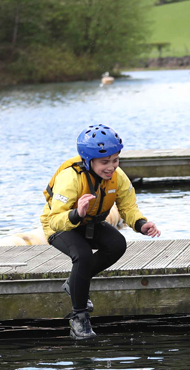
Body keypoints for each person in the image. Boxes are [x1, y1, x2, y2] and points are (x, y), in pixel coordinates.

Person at [41, 124, 161, 340]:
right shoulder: (70, 178)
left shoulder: (118, 176)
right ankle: (79, 318)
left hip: (90, 223)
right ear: (89, 161)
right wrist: (76, 213)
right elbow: (56, 220)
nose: (111, 167)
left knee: (117, 244)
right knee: (83, 254)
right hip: (61, 225)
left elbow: (128, 207)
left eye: (115, 160)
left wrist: (141, 224)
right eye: (105, 162)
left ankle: (74, 283)